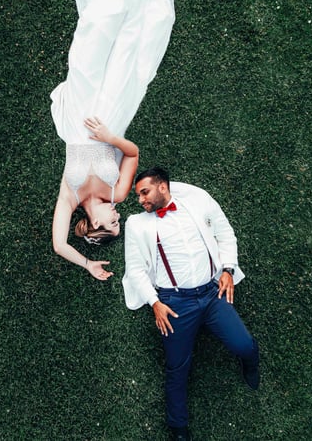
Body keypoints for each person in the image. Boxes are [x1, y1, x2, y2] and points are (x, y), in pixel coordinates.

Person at [51, 0, 175, 281]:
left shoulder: (70, 198)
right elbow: (132, 152)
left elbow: (58, 245)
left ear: (95, 224)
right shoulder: (116, 193)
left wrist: (87, 264)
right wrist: (109, 136)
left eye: (113, 222)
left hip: (78, 120)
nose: (118, 215)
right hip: (110, 121)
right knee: (125, 53)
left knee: (90, 46)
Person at [122, 167, 260, 441]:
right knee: (176, 366)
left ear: (162, 187)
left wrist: (228, 269)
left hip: (211, 294)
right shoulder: (137, 224)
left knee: (244, 344)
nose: (141, 200)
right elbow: (135, 270)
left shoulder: (197, 203)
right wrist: (154, 303)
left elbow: (226, 234)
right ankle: (178, 427)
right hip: (174, 303)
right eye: (138, 196)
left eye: (144, 193)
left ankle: (250, 363)